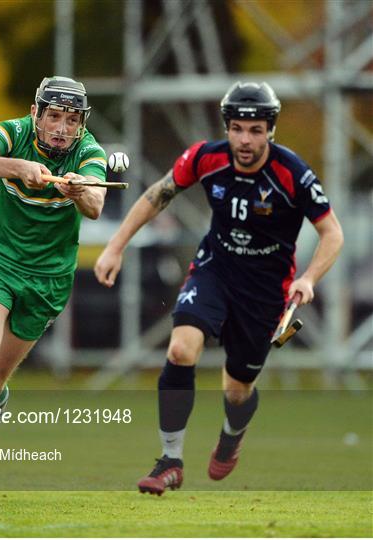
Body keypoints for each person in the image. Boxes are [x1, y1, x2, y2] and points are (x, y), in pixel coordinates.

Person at [94, 81, 344, 495]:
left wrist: (309, 278)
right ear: (227, 126)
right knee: (180, 349)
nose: (246, 140)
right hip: (215, 268)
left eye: (256, 130)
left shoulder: (292, 173)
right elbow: (158, 194)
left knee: (238, 386)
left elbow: (331, 233)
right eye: (238, 128)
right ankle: (170, 460)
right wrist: (115, 246)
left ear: (270, 130)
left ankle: (231, 436)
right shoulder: (205, 157)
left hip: (266, 289)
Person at [0, 76, 107, 508]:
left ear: (81, 124)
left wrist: (78, 189)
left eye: (70, 120)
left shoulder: (90, 153)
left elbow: (97, 206)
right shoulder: (12, 133)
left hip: (47, 279)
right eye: (53, 117)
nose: (61, 128)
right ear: (36, 114)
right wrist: (17, 166)